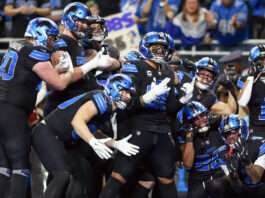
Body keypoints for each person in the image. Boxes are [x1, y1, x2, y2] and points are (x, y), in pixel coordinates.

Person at [100, 31, 194, 198]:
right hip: (138, 128)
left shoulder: (167, 70)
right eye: (154, 47)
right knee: (119, 176)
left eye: (162, 48)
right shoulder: (134, 67)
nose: (159, 50)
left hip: (162, 131)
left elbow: (170, 108)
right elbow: (126, 104)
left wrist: (184, 99)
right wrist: (146, 98)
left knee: (167, 178)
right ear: (145, 47)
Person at [32, 73, 140, 198]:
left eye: (129, 93)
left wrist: (115, 143)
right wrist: (92, 142)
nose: (128, 95)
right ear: (113, 88)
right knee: (62, 173)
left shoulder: (109, 109)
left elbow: (91, 130)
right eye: (125, 91)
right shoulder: (102, 99)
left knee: (83, 174)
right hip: (48, 132)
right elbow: (77, 122)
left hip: (64, 139)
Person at [0, 17, 73, 198]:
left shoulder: (17, 44)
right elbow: (60, 85)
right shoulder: (36, 51)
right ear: (39, 33)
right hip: (14, 112)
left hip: (4, 107)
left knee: (3, 166)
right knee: (20, 166)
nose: (52, 42)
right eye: (51, 38)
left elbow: (32, 72)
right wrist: (72, 69)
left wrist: (56, 70)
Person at [43, 2, 110, 116]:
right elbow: (61, 79)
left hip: (76, 103)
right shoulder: (60, 42)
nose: (84, 25)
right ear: (69, 19)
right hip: (61, 106)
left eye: (86, 22)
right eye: (81, 21)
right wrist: (93, 63)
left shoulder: (78, 43)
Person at [209, 114, 265, 198]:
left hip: (260, 188)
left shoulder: (259, 145)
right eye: (227, 133)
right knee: (216, 184)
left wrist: (245, 159)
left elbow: (255, 180)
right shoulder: (222, 152)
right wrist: (233, 174)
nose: (231, 136)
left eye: (234, 132)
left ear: (243, 130)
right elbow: (238, 188)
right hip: (242, 190)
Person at [180, 101, 225, 198]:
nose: (201, 120)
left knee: (219, 185)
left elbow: (231, 112)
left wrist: (220, 118)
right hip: (199, 178)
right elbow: (187, 164)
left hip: (220, 172)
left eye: (202, 115)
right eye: (195, 118)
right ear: (190, 123)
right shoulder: (186, 137)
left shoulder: (217, 126)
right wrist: (189, 138)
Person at [237, 44, 265, 138]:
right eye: (260, 60)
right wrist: (251, 76)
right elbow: (242, 102)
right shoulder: (246, 79)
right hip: (258, 130)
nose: (264, 63)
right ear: (253, 62)